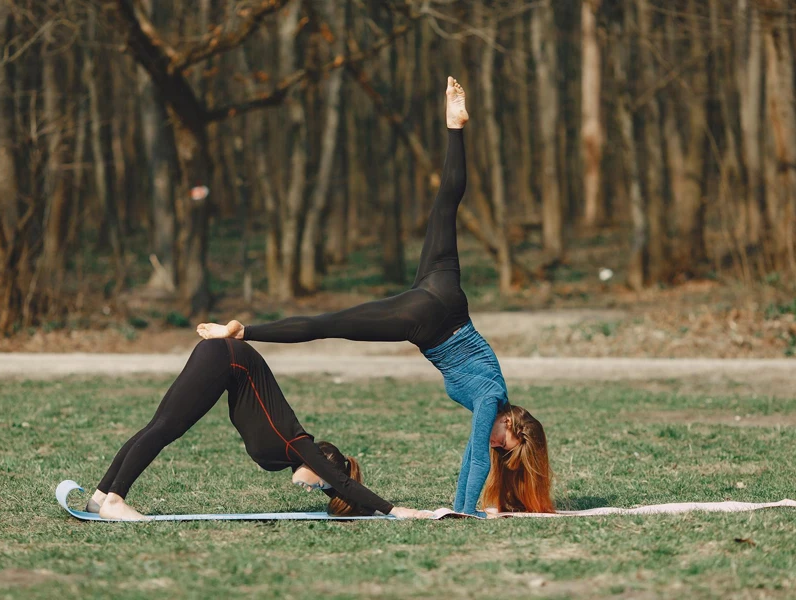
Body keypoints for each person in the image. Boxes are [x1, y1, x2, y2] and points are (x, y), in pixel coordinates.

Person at [197, 77, 554, 515]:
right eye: (509, 442)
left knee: (445, 205)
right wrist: (465, 512)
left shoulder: (494, 395)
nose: (499, 444)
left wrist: (465, 506)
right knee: (331, 324)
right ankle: (244, 329)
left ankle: (455, 125)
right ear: (517, 424)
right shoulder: (491, 400)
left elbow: (476, 455)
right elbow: (476, 457)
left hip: (444, 298)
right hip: (431, 321)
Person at [85, 338, 432, 520]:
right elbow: (341, 481)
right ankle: (115, 499)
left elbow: (338, 488)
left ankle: (100, 497)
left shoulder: (289, 458)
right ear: (321, 461)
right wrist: (394, 510)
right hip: (226, 358)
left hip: (226, 362)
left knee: (159, 427)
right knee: (163, 428)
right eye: (323, 479)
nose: (320, 488)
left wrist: (359, 508)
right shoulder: (298, 442)